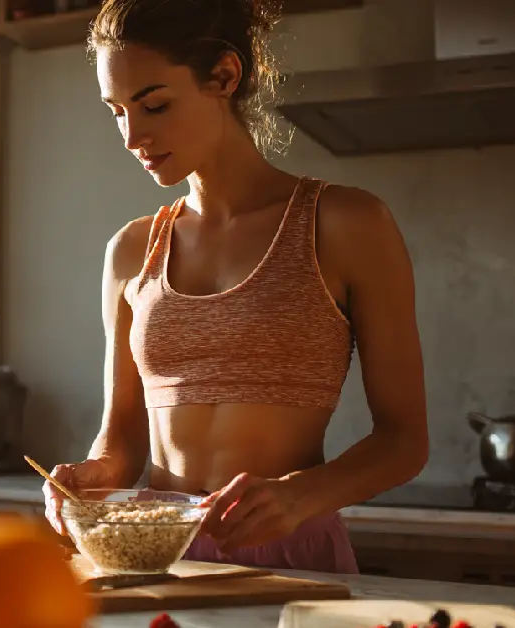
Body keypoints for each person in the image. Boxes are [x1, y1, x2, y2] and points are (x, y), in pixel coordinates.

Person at [41, 0, 429, 575]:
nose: (132, 136)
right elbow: (120, 441)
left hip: (291, 560)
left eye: (154, 105)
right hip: (155, 560)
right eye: (116, 112)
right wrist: (92, 476)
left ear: (224, 75)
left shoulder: (347, 225)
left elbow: (404, 440)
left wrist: (303, 494)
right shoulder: (131, 251)